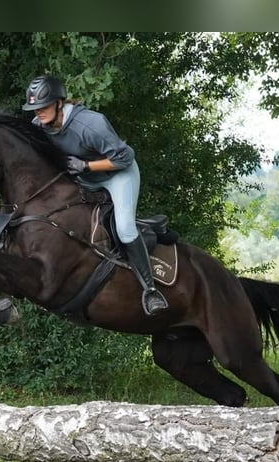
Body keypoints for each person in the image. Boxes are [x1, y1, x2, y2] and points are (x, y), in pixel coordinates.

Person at [22, 74, 168, 316]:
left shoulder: (91, 124)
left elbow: (124, 158)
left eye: (43, 106)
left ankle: (150, 290)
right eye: (34, 108)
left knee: (124, 228)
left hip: (118, 175)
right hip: (84, 179)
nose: (38, 112)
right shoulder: (40, 126)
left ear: (59, 103)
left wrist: (86, 166)